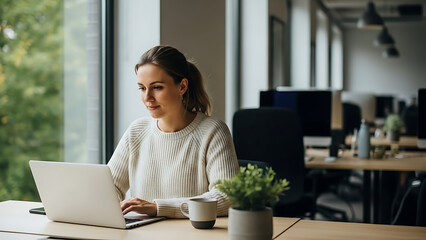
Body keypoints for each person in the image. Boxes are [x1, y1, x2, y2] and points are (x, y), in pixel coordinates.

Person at [107, 45, 239, 218]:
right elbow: (110, 188)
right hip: (142, 234)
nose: (147, 97)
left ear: (182, 86)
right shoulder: (136, 131)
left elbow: (227, 196)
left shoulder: (213, 131)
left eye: (157, 87)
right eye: (142, 88)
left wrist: (158, 207)